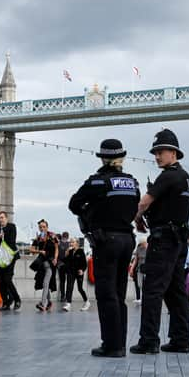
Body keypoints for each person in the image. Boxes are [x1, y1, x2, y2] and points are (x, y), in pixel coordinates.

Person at [69, 138, 139, 357]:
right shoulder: (132, 182)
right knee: (119, 293)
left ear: (103, 157)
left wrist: (92, 210)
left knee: (106, 293)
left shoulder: (97, 182)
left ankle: (111, 345)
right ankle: (120, 342)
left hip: (106, 240)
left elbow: (74, 204)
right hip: (128, 240)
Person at [130, 129, 189, 355]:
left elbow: (144, 203)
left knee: (152, 289)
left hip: (164, 240)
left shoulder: (168, 175)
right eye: (155, 152)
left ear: (173, 153)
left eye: (161, 151)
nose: (157, 156)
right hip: (179, 241)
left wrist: (137, 219)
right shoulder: (187, 179)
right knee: (176, 292)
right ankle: (180, 339)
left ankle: (148, 341)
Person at [0, 211, 21, 311]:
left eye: (2, 217)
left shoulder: (11, 227)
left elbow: (11, 241)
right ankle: (5, 302)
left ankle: (17, 299)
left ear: (6, 218)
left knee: (7, 279)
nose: (0, 220)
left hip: (10, 257)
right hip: (1, 258)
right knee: (0, 280)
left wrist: (3, 236)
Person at [63, 238, 90, 312]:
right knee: (69, 287)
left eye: (73, 242)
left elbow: (84, 263)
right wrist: (66, 254)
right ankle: (68, 304)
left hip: (79, 272)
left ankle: (87, 302)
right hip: (71, 272)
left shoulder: (81, 251)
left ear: (77, 243)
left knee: (80, 288)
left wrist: (82, 270)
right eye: (70, 242)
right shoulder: (70, 251)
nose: (71, 243)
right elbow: (65, 261)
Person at [129, 239, 147, 304]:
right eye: (141, 243)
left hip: (147, 269)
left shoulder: (149, 248)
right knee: (140, 284)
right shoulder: (139, 248)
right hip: (140, 268)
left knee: (146, 284)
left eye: (143, 243)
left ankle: (145, 298)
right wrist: (132, 269)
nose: (142, 245)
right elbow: (136, 260)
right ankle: (141, 298)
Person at [57, 232, 70, 302]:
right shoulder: (68, 244)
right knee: (68, 281)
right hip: (66, 264)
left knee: (62, 281)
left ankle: (62, 296)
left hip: (60, 264)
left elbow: (57, 255)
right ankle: (67, 296)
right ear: (67, 237)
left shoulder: (59, 243)